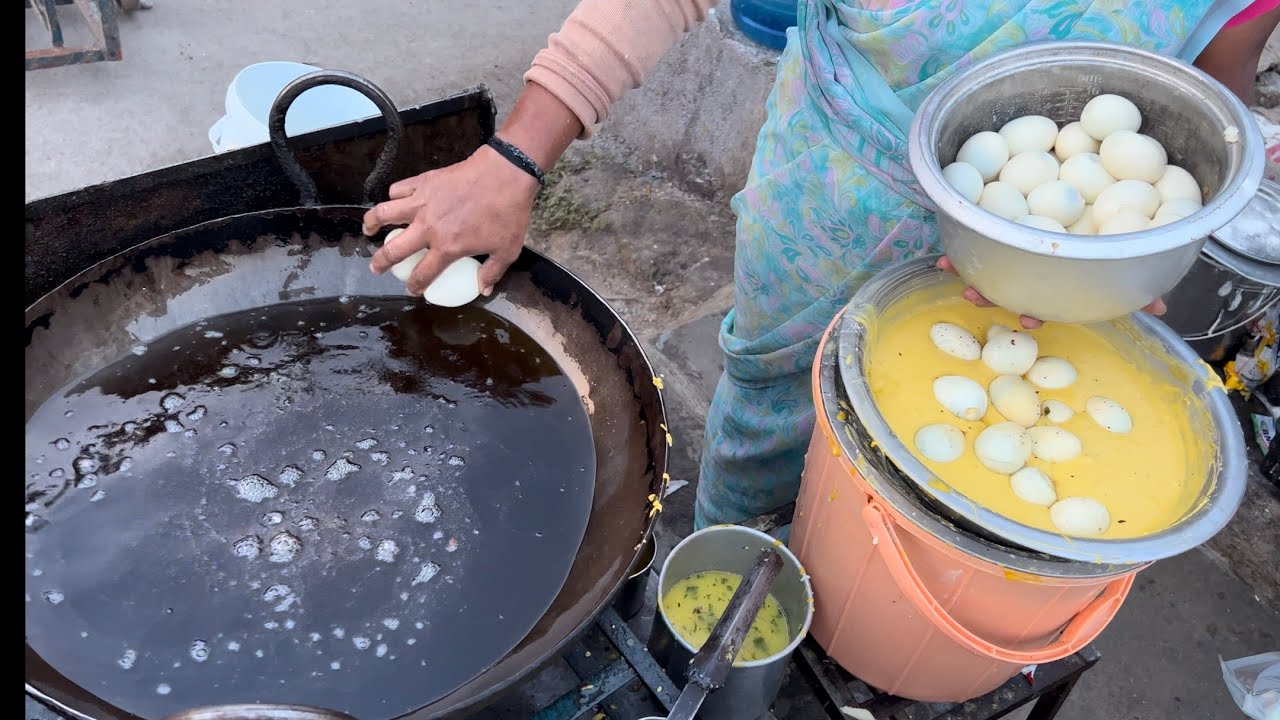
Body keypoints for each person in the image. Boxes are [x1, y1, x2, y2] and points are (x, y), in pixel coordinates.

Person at [362, 0, 1280, 529]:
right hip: (835, 201)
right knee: (771, 399)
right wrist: (515, 155)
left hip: (1045, 255)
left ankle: (864, 593)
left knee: (964, 450)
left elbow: (1199, 122)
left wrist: (1143, 244)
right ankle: (726, 565)